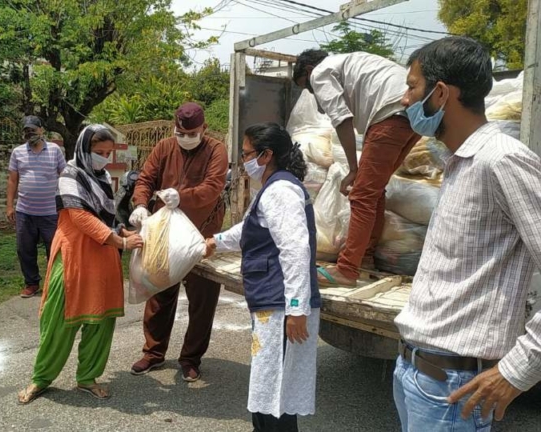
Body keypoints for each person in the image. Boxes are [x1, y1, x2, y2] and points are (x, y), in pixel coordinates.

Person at [393, 37, 541, 431]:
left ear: (440, 93)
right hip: (415, 372)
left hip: (454, 388)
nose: (405, 100)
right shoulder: (459, 163)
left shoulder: (503, 160)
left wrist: (517, 369)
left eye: (412, 87)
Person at [205, 123, 320, 432]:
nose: (244, 162)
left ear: (267, 155)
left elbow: (296, 250)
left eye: (246, 154)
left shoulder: (281, 191)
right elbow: (250, 228)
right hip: (273, 303)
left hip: (282, 305)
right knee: (269, 385)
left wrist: (297, 308)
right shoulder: (273, 189)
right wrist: (216, 242)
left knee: (276, 390)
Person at [18, 125, 144, 404]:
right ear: (84, 148)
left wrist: (121, 231)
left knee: (101, 320)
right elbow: (80, 217)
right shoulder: (70, 174)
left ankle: (87, 377)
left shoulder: (101, 177)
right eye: (99, 152)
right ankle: (41, 378)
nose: (103, 158)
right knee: (60, 320)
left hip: (103, 256)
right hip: (75, 254)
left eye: (108, 153)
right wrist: (119, 242)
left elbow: (105, 216)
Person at [293, 50, 420, 287]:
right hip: (410, 115)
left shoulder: (321, 71)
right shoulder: (351, 60)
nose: (312, 93)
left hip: (389, 115)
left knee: (361, 195)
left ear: (309, 71)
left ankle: (347, 270)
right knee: (374, 191)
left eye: (308, 87)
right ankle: (366, 258)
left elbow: (341, 119)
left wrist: (353, 168)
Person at [129, 102, 229, 382]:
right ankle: (153, 352)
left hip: (201, 235)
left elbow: (213, 187)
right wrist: (139, 204)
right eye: (180, 133)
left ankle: (191, 358)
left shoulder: (216, 150)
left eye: (191, 133)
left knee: (202, 299)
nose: (185, 138)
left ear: (204, 129)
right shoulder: (164, 147)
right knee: (159, 294)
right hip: (165, 234)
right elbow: (145, 178)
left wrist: (182, 196)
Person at [6, 116, 66, 298]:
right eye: (26, 131)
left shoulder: (55, 150)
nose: (30, 133)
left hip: (50, 213)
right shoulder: (18, 152)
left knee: (54, 250)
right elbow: (12, 180)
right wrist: (9, 206)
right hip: (25, 211)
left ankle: (53, 284)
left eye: (33, 130)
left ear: (41, 130)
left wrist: (67, 204)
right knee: (25, 249)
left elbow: (64, 176)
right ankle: (31, 283)